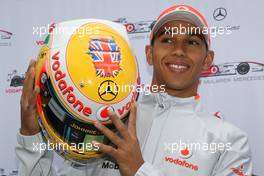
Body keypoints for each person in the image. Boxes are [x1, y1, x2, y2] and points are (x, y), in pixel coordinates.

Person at [16, 4, 252, 176]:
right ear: (149, 53)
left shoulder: (228, 141)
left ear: (208, 59)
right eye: (167, 40)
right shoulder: (109, 116)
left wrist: (139, 170)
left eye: (192, 42)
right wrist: (30, 134)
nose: (179, 50)